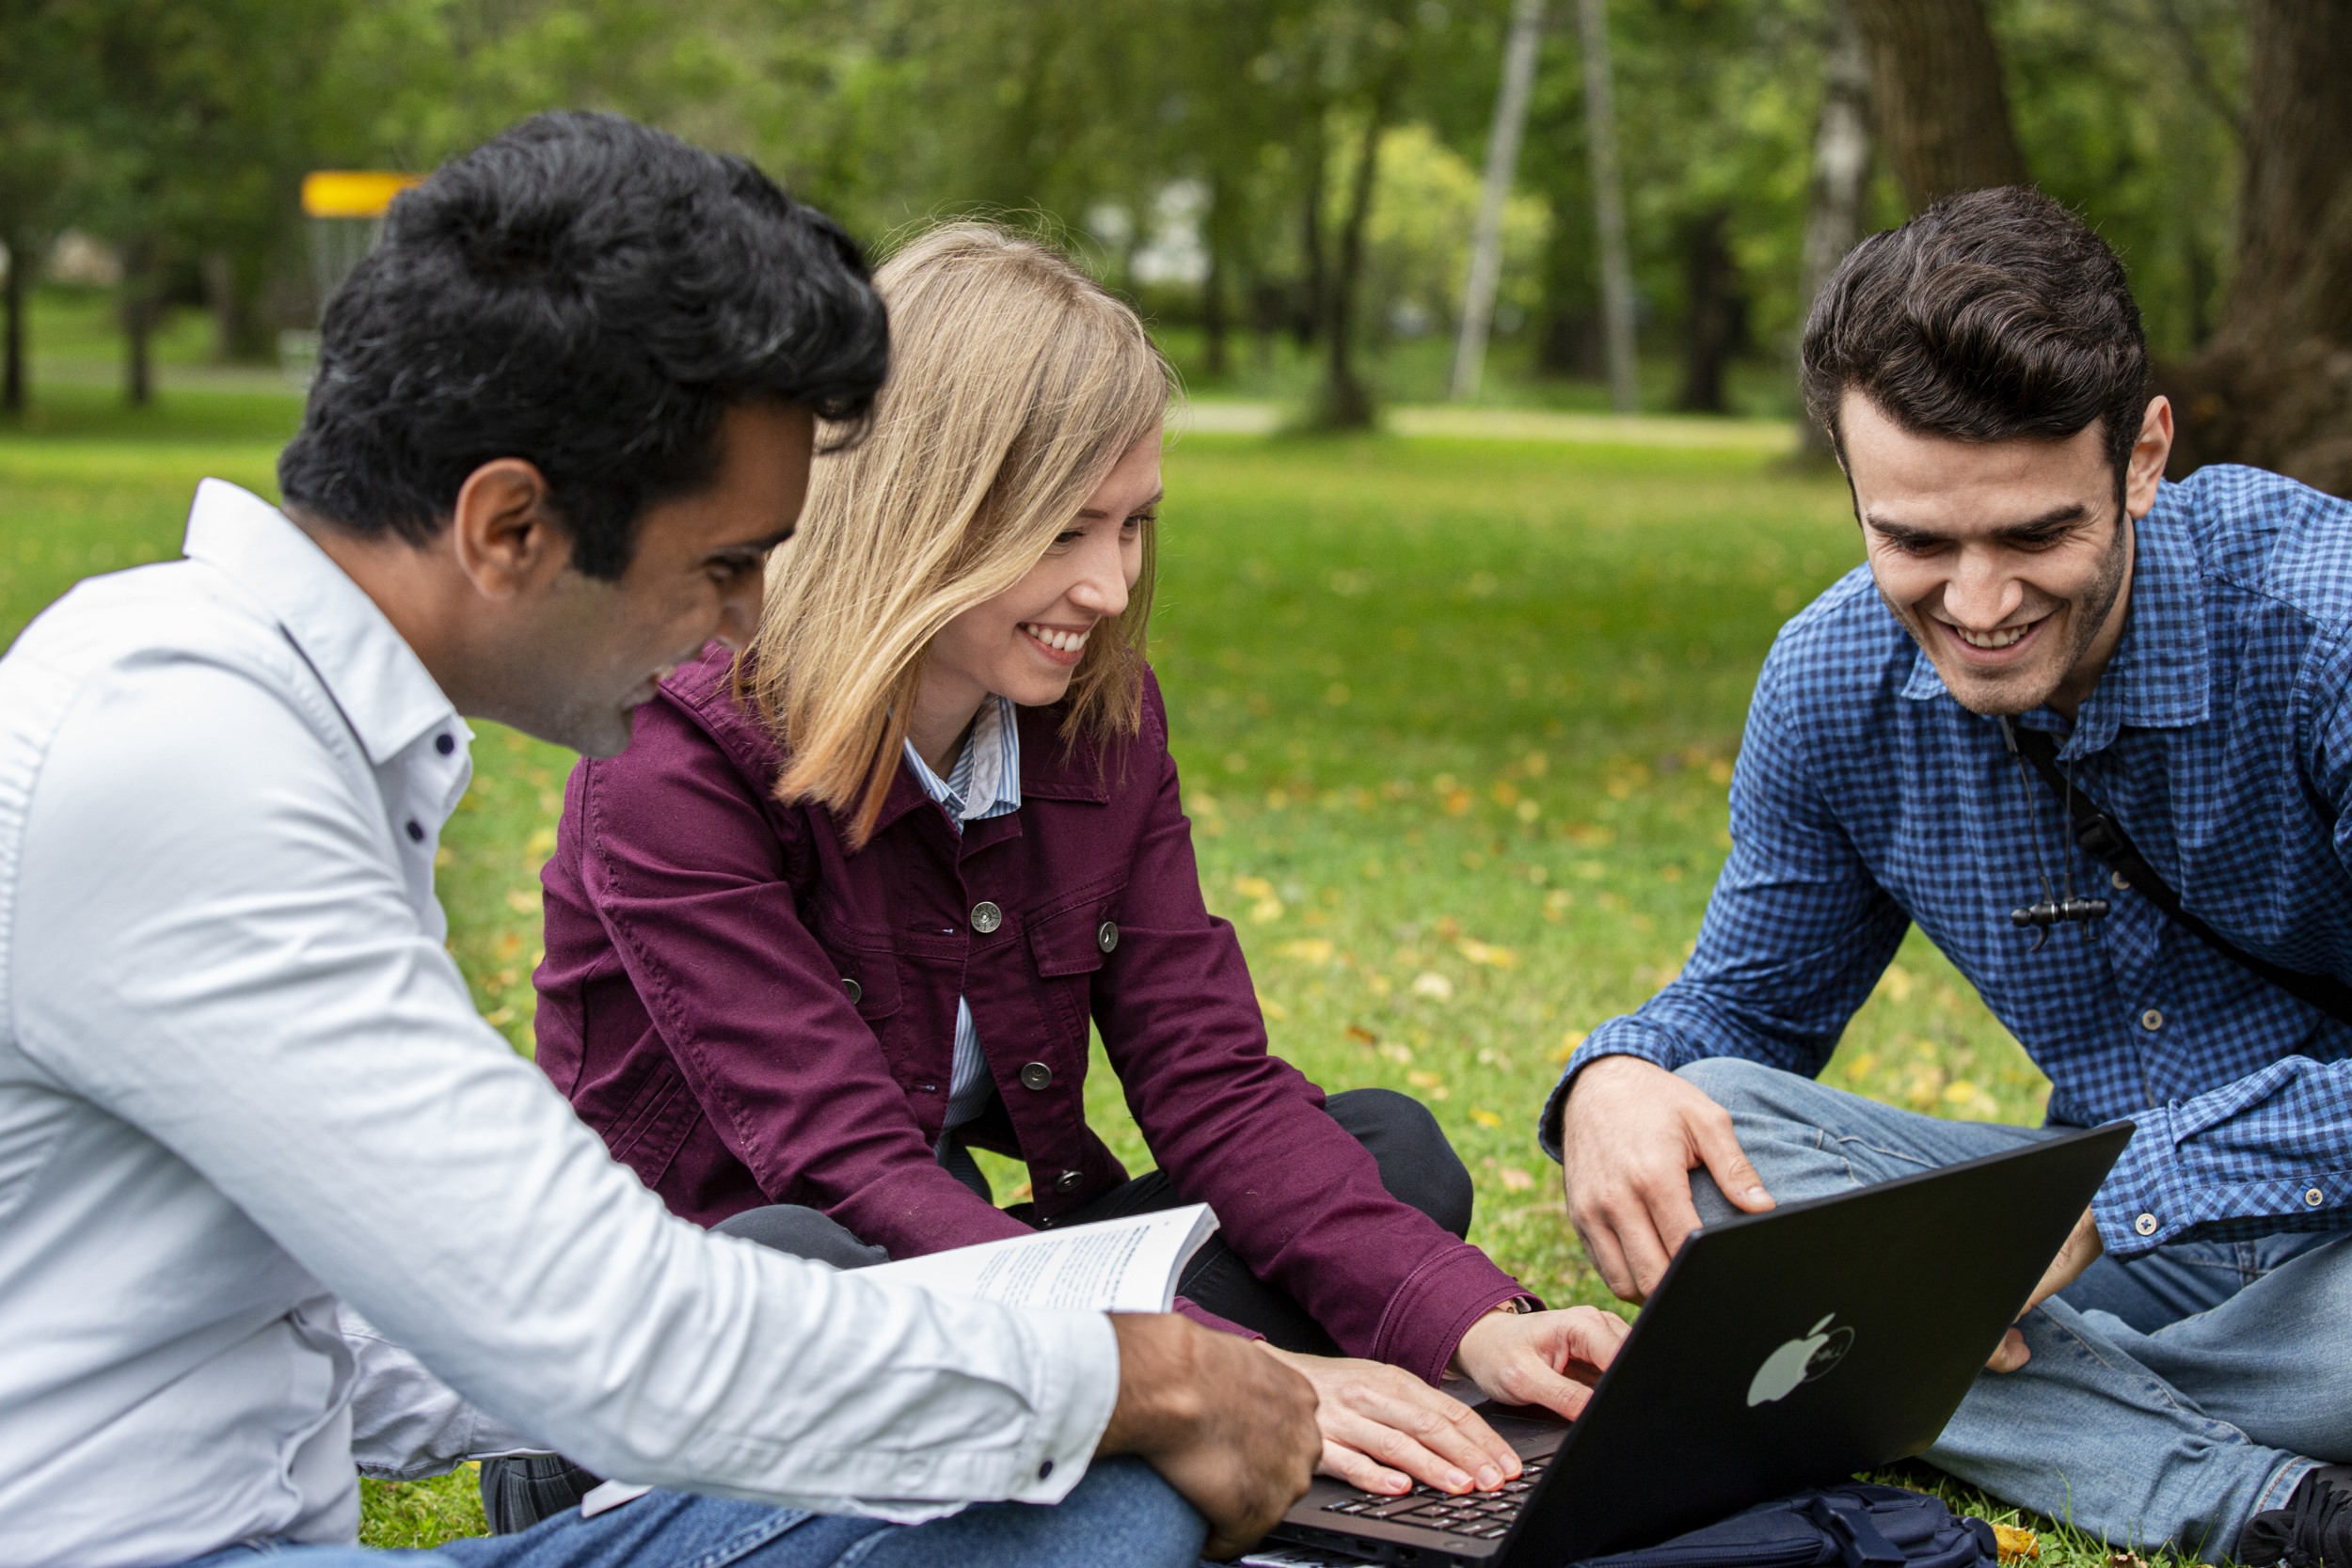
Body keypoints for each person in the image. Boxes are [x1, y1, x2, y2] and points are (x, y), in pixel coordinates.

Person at [0, 113, 1324, 1568]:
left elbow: (373, 1311)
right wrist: (1139, 1378)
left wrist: (767, 1377)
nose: (754, 620)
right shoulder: (186, 759)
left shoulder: (283, 721)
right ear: (510, 527)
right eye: (728, 563)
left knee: (1046, 1475)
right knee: (1101, 1494)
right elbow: (599, 1329)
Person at [520, 222, 1629, 1531]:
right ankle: (591, 1473)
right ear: (918, 515)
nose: (1109, 586)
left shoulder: (1092, 718)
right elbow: (850, 1171)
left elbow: (1210, 1080)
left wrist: (1475, 1320)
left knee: (1386, 1152)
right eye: (1062, 533)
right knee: (791, 1262)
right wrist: (1221, 1378)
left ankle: (1093, 1415)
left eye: (1134, 524)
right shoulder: (673, 760)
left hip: (968, 1272)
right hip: (734, 1285)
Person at [1542, 185, 2352, 1568]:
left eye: (2037, 535)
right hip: (2101, 1265)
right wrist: (1613, 1077)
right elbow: (1742, 1019)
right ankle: (2271, 1500)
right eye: (1916, 541)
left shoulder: (2324, 625)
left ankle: (1979, 1398)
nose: (1977, 606)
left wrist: (2110, 1199)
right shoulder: (1830, 682)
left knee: (1820, 1326)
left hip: (2246, 1245)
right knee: (1711, 1133)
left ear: (2142, 455)